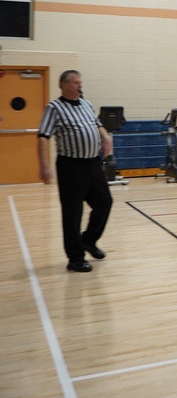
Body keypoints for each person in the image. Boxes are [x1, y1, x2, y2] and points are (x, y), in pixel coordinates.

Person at [37, 70, 114, 273]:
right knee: (73, 212)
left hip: (93, 164)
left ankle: (88, 240)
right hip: (71, 166)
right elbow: (43, 136)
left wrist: (105, 137)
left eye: (81, 82)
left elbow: (97, 124)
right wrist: (44, 165)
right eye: (75, 83)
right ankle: (75, 258)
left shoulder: (86, 104)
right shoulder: (54, 107)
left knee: (104, 202)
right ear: (63, 85)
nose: (80, 86)